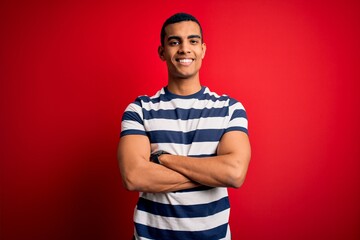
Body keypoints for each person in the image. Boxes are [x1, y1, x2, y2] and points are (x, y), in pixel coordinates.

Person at [117, 12, 251, 240]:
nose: (184, 49)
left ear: (203, 50)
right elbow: (134, 176)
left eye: (193, 41)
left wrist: (163, 159)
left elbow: (234, 173)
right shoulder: (139, 109)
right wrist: (210, 174)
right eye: (174, 42)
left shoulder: (230, 108)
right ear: (162, 52)